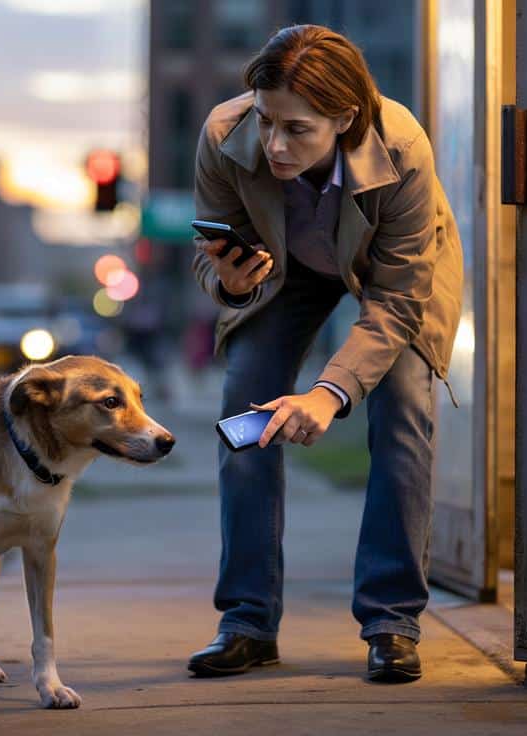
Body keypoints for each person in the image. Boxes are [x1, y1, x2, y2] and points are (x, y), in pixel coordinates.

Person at [188, 24, 463, 683]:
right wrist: (229, 280)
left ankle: (391, 622)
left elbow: (398, 299)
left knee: (400, 413)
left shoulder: (402, 148)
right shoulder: (225, 136)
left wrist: (328, 391)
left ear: (343, 117)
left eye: (298, 129)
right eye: (267, 121)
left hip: (385, 275)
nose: (276, 144)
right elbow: (211, 259)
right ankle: (248, 622)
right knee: (245, 416)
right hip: (286, 273)